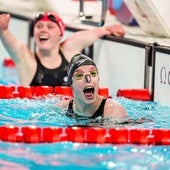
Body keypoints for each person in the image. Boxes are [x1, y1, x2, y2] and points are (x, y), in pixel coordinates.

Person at [0, 12, 125, 86]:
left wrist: (109, 29)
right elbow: (5, 33)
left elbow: (95, 33)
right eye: (39, 26)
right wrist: (3, 28)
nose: (43, 29)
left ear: (61, 34)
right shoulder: (27, 60)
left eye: (50, 27)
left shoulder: (68, 50)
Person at [57, 53, 128, 121]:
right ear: (70, 85)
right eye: (79, 75)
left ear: (98, 79)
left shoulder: (113, 111)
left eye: (93, 73)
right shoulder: (62, 108)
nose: (88, 79)